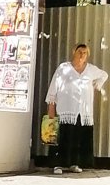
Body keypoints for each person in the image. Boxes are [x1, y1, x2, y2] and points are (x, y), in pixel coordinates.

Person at [45, 43, 107, 174]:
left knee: (78, 137)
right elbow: (53, 88)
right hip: (65, 109)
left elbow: (104, 75)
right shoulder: (63, 68)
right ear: (74, 52)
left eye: (85, 53)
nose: (82, 55)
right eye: (80, 52)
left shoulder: (90, 69)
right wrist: (51, 107)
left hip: (82, 111)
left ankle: (74, 163)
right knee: (63, 137)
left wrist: (97, 85)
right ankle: (58, 165)